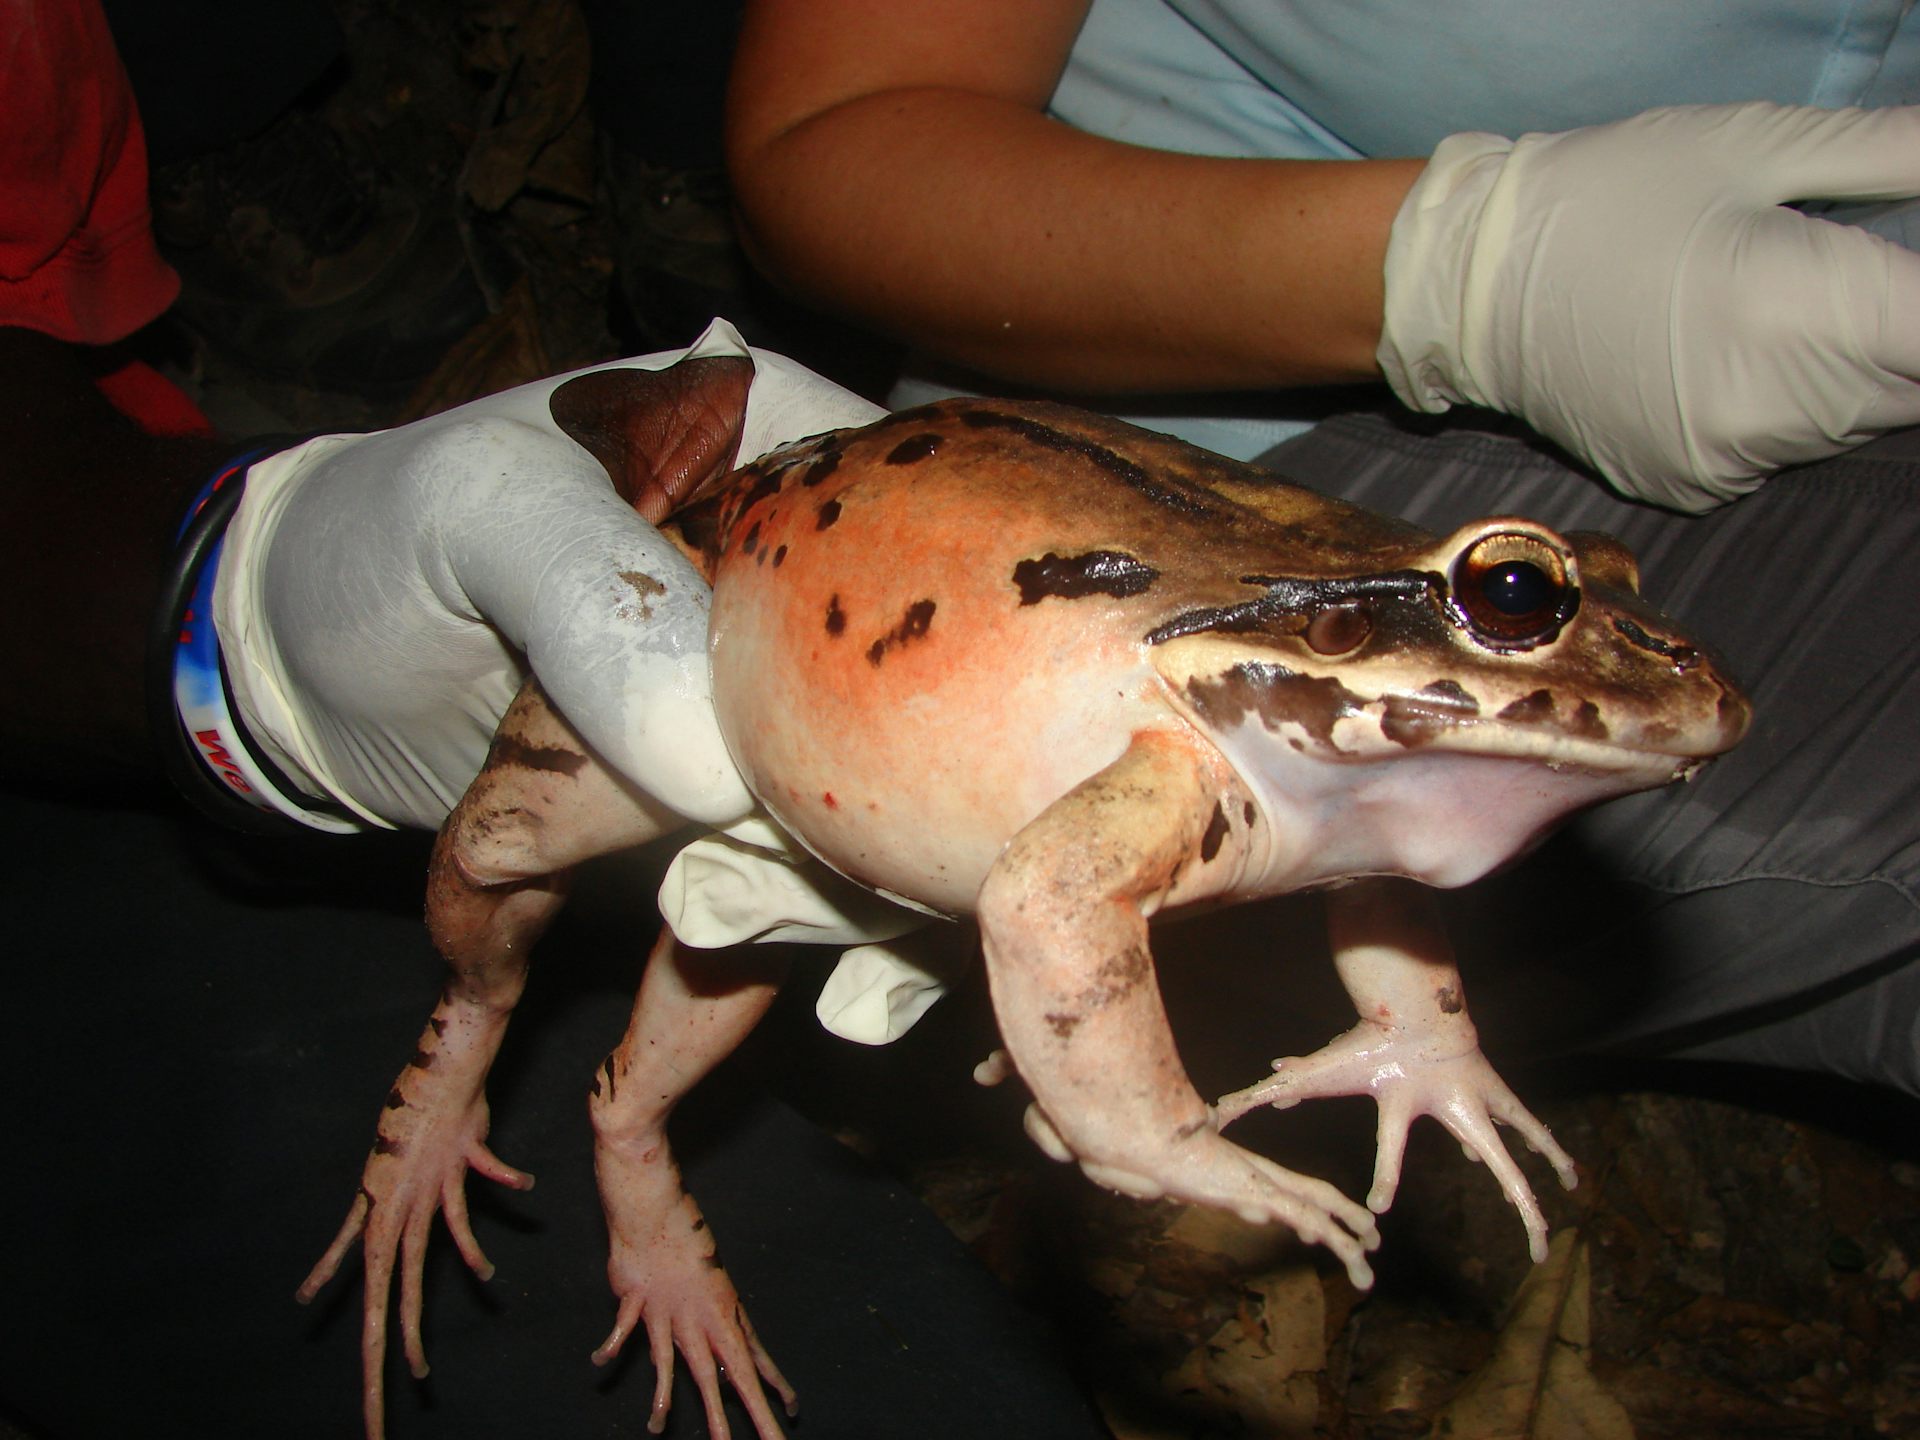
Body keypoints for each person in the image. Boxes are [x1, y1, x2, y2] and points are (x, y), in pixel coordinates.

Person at [724, 0, 1920, 1094]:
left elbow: (1372, 849)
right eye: (1519, 594)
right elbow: (822, 133)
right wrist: (1457, 271)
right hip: (1175, 441)